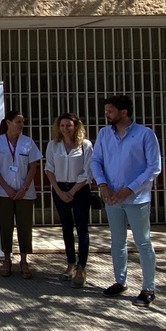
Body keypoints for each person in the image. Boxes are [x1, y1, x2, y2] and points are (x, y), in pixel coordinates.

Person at [91, 95, 161, 307]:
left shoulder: (145, 134)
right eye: (106, 111)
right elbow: (96, 160)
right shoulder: (104, 134)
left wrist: (129, 189)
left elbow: (153, 167)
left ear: (124, 112)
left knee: (142, 242)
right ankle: (120, 281)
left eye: (110, 111)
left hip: (137, 198)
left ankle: (149, 287)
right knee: (117, 241)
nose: (106, 115)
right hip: (112, 197)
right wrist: (103, 185)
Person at [0, 110, 42, 279]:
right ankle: (7, 259)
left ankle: (24, 260)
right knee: (6, 226)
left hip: (25, 192)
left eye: (22, 122)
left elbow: (33, 166)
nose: (21, 125)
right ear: (8, 123)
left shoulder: (28, 142)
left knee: (25, 227)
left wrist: (24, 187)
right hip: (4, 192)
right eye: (18, 122)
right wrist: (7, 188)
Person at [44, 113, 93, 288]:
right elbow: (49, 168)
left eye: (69, 125)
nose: (65, 129)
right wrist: (58, 190)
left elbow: (88, 171)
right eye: (62, 125)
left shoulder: (85, 145)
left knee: (81, 229)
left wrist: (71, 191)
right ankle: (70, 263)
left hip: (79, 189)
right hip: (59, 189)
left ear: (76, 126)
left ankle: (81, 267)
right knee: (66, 227)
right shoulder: (53, 144)